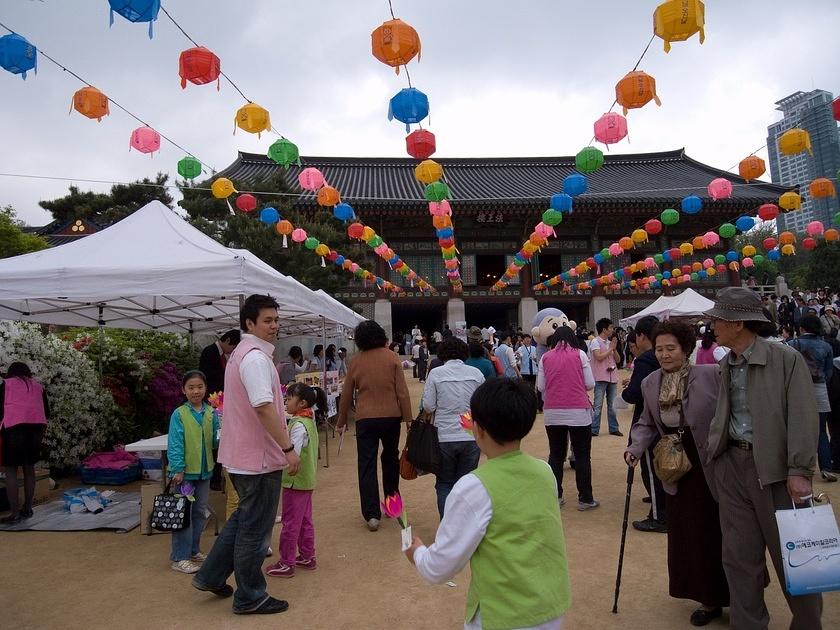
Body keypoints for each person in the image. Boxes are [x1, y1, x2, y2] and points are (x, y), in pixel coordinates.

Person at [405, 378, 571, 630]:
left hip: (505, 615)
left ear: (478, 429)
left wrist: (416, 552)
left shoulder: (473, 488)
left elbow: (439, 568)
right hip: (550, 607)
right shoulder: (545, 471)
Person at [704, 287, 823, 629]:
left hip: (776, 472)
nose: (712, 325)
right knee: (739, 558)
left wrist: (800, 469)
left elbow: (803, 414)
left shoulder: (785, 359)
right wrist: (716, 454)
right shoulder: (727, 363)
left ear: (738, 323)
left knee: (795, 558)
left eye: (718, 320)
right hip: (732, 467)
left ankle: (807, 624)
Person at [192, 294, 300, 616]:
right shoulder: (254, 358)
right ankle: (250, 595)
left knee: (242, 521)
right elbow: (264, 407)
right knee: (255, 528)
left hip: (244, 456)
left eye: (276, 320)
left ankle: (210, 575)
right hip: (259, 459)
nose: (274, 326)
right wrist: (288, 448)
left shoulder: (244, 353)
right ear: (249, 323)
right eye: (267, 320)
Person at [625, 320, 729, 626]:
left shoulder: (712, 375)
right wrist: (634, 448)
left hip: (709, 460)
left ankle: (739, 592)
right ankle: (708, 599)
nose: (664, 354)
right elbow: (645, 423)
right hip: (674, 463)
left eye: (671, 348)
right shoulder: (650, 383)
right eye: (659, 349)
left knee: (720, 530)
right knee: (689, 533)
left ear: (686, 347)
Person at [336, 320, 412, 531]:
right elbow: (402, 393)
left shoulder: (355, 361)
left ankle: (371, 515)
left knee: (366, 464)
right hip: (391, 417)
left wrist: (341, 421)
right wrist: (409, 420)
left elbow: (346, 395)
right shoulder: (392, 357)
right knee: (390, 458)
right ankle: (391, 504)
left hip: (365, 419)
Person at [266, 383, 326, 578]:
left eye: (290, 398)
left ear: (302, 403)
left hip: (294, 481)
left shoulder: (298, 425)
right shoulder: (308, 420)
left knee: (290, 522)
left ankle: (286, 562)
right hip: (306, 481)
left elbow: (294, 454)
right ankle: (308, 556)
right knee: (305, 520)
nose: (286, 401)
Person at [537, 325, 599, 511]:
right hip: (579, 412)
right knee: (582, 455)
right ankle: (585, 499)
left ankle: (556, 496)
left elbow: (540, 387)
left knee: (555, 455)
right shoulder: (580, 355)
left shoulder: (545, 357)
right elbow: (590, 384)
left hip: (552, 413)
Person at [421, 337, 485, 516]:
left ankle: (447, 526)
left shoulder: (436, 373)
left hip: (444, 436)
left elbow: (428, 406)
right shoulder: (476, 373)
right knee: (467, 484)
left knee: (444, 483)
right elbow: (483, 404)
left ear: (442, 354)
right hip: (470, 434)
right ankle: (465, 529)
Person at [167, 370, 220, 574]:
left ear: (206, 389)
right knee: (183, 514)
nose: (196, 391)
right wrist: (177, 469)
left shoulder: (211, 412)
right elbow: (175, 443)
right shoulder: (179, 414)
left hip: (205, 472)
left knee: (199, 512)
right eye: (191, 387)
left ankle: (193, 550)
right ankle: (179, 557)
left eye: (199, 387)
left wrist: (222, 428)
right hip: (185, 474)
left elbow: (215, 441)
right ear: (184, 390)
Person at [621, 315, 667, 533]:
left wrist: (626, 391)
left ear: (640, 336)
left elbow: (636, 393)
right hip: (665, 417)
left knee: (650, 466)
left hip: (647, 419)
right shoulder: (662, 357)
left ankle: (659, 517)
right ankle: (661, 505)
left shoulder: (643, 360)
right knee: (661, 466)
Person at [787, 313, 837, 482]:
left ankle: (800, 468)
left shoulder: (792, 344)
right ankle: (826, 468)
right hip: (820, 389)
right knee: (821, 431)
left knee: (797, 429)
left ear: (801, 328)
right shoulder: (826, 346)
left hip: (797, 389)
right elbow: (829, 373)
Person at [0, 362, 49, 524]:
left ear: (11, 372)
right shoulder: (38, 386)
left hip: (14, 428)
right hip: (36, 429)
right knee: (29, 468)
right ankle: (27, 508)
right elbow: (47, 411)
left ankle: (14, 513)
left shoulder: (6, 384)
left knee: (11, 470)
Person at [589, 318, 622, 436]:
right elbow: (598, 356)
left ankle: (613, 428)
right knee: (598, 405)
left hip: (612, 376)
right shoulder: (595, 342)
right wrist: (610, 349)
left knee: (612, 405)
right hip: (600, 377)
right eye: (611, 328)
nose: (612, 330)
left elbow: (618, 360)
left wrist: (614, 349)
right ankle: (594, 429)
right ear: (604, 329)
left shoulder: (609, 343)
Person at [199, 330, 241, 396]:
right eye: (233, 348)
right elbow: (205, 375)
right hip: (211, 394)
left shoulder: (223, 354)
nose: (232, 351)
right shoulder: (209, 351)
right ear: (228, 340)